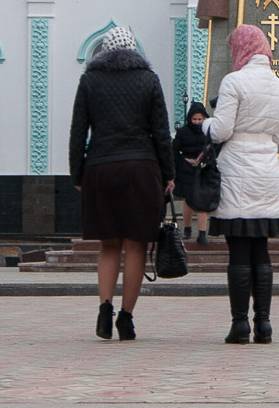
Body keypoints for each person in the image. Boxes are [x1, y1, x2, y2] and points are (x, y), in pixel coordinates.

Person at [68, 26, 174, 342]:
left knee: (108, 244)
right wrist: (168, 174)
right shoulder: (148, 80)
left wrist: (77, 175)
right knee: (136, 243)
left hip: (100, 167)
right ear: (134, 51)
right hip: (141, 169)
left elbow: (78, 132)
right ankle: (126, 318)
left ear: (103, 51)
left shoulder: (89, 81)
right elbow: (161, 131)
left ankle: (104, 308)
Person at [202, 23, 279, 344]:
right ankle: (264, 325)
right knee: (261, 252)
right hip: (266, 170)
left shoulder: (233, 82)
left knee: (238, 253)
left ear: (241, 48)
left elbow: (221, 130)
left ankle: (240, 325)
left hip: (237, 170)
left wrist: (204, 125)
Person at [172, 101, 210, 244]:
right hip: (186, 168)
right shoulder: (182, 132)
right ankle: (187, 229)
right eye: (194, 119)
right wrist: (178, 165)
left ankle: (202, 233)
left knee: (201, 201)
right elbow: (174, 150)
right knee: (187, 200)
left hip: (202, 168)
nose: (197, 122)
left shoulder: (207, 131)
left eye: (200, 119)